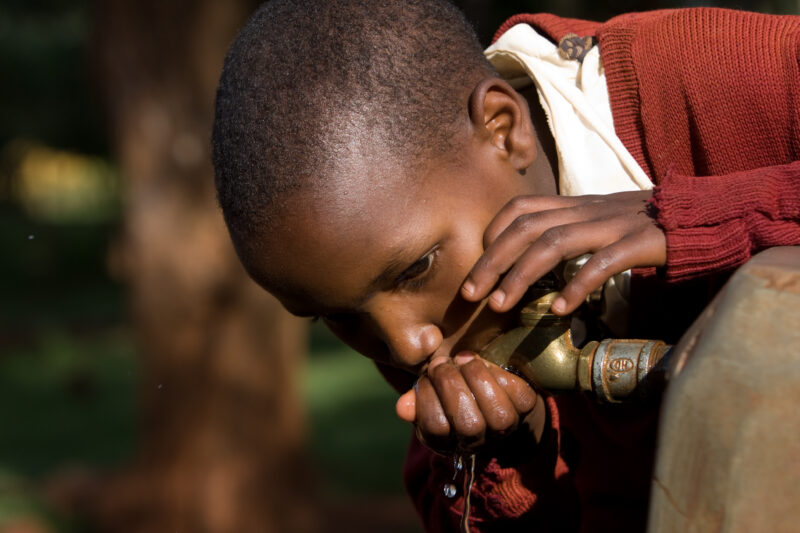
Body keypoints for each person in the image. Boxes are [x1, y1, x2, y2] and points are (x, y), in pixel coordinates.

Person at [211, 1, 800, 531]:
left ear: (503, 130)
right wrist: (515, 457)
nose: (407, 346)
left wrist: (699, 221)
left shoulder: (711, 73)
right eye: (337, 318)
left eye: (415, 269)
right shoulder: (427, 323)